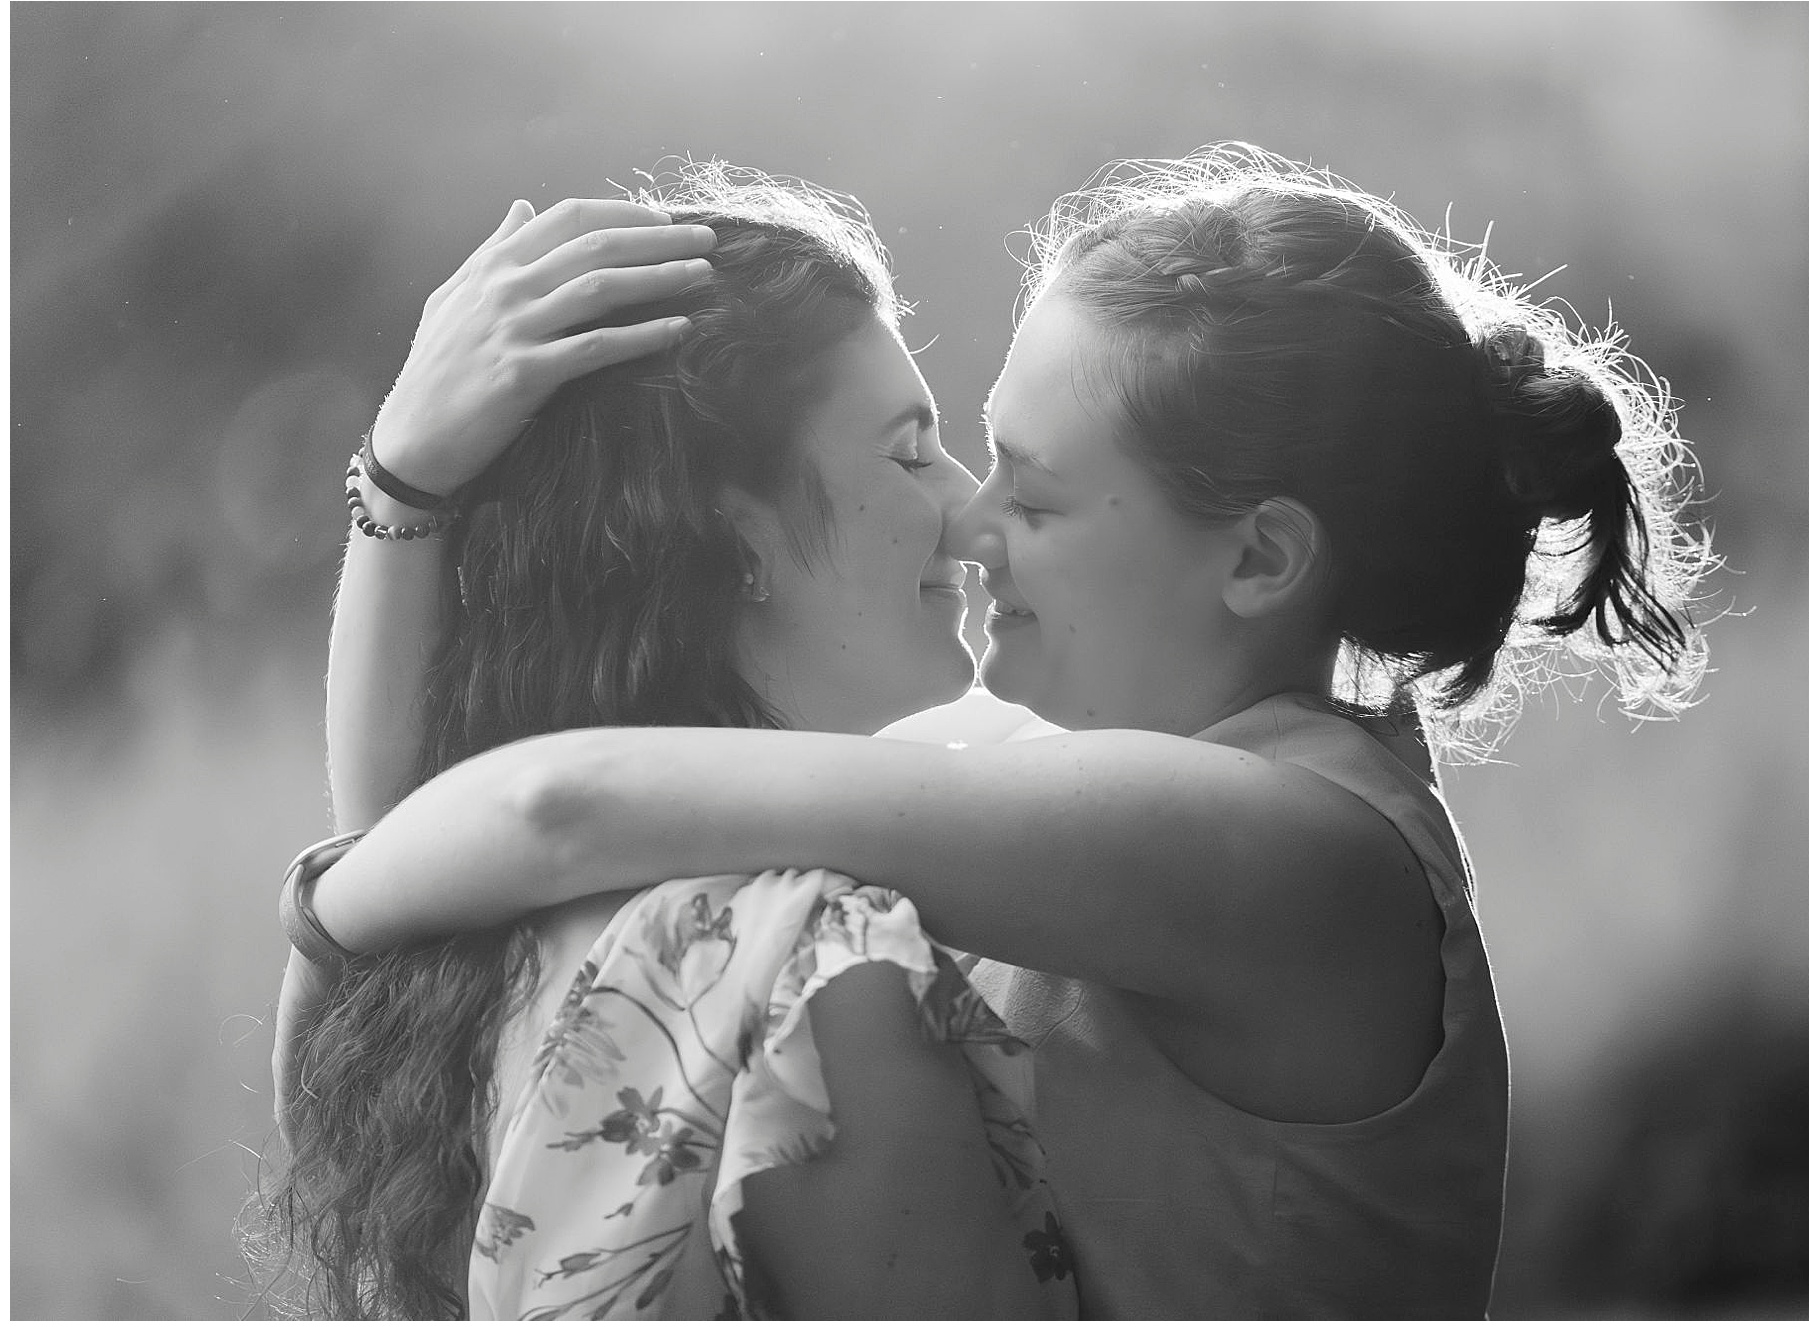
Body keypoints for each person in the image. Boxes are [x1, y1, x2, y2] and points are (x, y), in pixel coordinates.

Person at [284, 143, 1715, 1317]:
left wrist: (328, 919)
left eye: (1029, 494)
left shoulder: (1296, 847)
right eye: (948, 453)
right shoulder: (1048, 782)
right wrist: (406, 485)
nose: (968, 523)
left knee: (793, 956)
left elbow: (550, 814)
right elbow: (468, 842)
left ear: (1259, 560)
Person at [258, 165, 1069, 1320]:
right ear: (724, 537)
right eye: (907, 451)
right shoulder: (816, 973)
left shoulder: (421, 992)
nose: (973, 506)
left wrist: (405, 486)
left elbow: (417, 823)